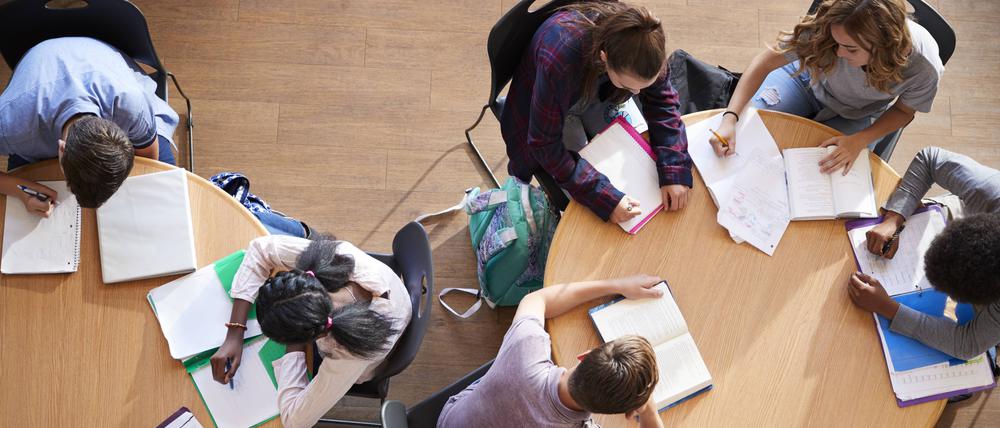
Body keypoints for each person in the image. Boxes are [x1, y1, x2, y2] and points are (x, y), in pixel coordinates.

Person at [502, 1, 692, 225]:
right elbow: (543, 144)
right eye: (628, 85)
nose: (638, 94)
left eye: (643, 86)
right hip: (549, 109)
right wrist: (604, 198)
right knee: (576, 200)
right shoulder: (560, 58)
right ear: (604, 57)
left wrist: (674, 168)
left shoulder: (642, 43)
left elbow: (661, 99)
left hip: (596, 91)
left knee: (629, 154)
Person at [712, 0, 944, 175]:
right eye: (836, 43)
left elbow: (904, 112)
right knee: (746, 135)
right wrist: (730, 118)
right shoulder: (831, 26)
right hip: (803, 80)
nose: (839, 53)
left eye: (851, 49)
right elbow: (766, 61)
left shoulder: (925, 66)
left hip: (857, 115)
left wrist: (861, 140)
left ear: (884, 46)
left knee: (821, 177)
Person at [209, 235, 411, 428]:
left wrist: (295, 338)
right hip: (389, 298)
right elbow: (260, 248)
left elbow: (294, 421)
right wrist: (235, 331)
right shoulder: (330, 262)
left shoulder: (348, 355)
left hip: (370, 352)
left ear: (310, 339)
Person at [437, 275, 666, 428]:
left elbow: (537, 299)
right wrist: (647, 411)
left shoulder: (526, 348)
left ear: (584, 355)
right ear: (625, 414)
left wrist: (616, 284)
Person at [846, 147, 1000, 361]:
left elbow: (968, 344)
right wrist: (895, 218)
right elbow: (929, 159)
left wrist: (889, 309)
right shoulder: (991, 192)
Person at [0, 37, 179, 212]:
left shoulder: (130, 105)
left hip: (101, 68)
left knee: (167, 191)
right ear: (61, 149)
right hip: (36, 95)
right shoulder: (9, 124)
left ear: (123, 136)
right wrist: (20, 189)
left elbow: (148, 158)